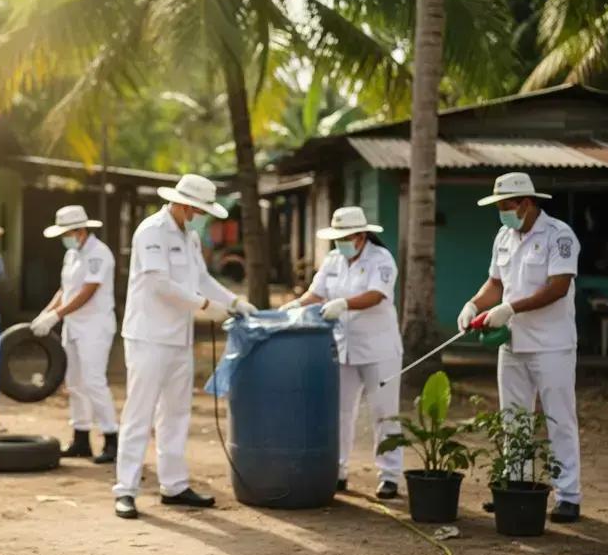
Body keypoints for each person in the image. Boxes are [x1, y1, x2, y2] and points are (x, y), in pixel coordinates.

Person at [114, 174, 257, 519]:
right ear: (182, 204)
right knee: (139, 413)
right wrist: (206, 306)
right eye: (198, 209)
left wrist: (233, 301)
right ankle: (126, 490)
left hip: (179, 337)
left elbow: (201, 279)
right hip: (149, 336)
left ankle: (174, 485)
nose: (201, 216)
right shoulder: (152, 231)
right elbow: (159, 284)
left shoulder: (189, 236)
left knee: (176, 413)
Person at [457, 172, 583, 524]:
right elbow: (495, 283)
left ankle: (568, 496)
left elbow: (558, 287)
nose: (501, 212)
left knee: (559, 418)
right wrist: (474, 304)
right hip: (512, 343)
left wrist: (511, 308)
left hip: (552, 345)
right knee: (513, 419)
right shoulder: (503, 236)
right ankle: (516, 487)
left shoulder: (559, 235)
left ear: (526, 203)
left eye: (505, 206)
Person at [279, 207, 403, 499]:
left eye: (346, 238)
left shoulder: (381, 259)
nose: (341, 243)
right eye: (338, 238)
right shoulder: (333, 259)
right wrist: (295, 305)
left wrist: (344, 304)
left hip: (378, 349)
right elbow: (316, 294)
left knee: (384, 412)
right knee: (340, 412)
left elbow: (377, 294)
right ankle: (337, 470)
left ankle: (389, 476)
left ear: (361, 236)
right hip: (343, 346)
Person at [31, 205, 119, 464]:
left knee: (93, 381)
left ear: (80, 231)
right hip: (73, 325)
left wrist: (56, 316)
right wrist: (47, 312)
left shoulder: (99, 253)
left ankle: (111, 438)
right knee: (75, 383)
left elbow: (88, 291)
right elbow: (65, 290)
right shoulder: (72, 254)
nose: (64, 239)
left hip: (95, 326)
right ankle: (81, 438)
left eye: (66, 234)